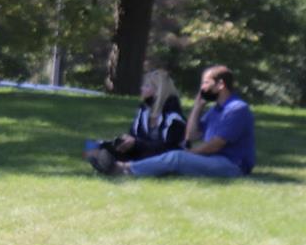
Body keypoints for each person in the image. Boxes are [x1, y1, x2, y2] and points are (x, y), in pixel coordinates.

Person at [90, 65, 255, 178]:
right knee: (178, 158)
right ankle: (98, 155)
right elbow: (191, 135)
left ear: (220, 85)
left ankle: (122, 170)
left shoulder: (236, 109)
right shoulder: (215, 110)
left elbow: (216, 144)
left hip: (232, 165)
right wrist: (198, 106)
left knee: (177, 157)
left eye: (206, 83)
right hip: (212, 159)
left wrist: (190, 154)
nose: (202, 88)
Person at [86, 68, 186, 163]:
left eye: (146, 86)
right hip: (143, 151)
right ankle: (108, 160)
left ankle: (115, 165)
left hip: (164, 157)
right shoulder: (143, 111)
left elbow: (169, 148)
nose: (141, 88)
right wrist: (127, 141)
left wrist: (137, 144)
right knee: (93, 144)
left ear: (158, 92)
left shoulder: (174, 118)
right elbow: (134, 135)